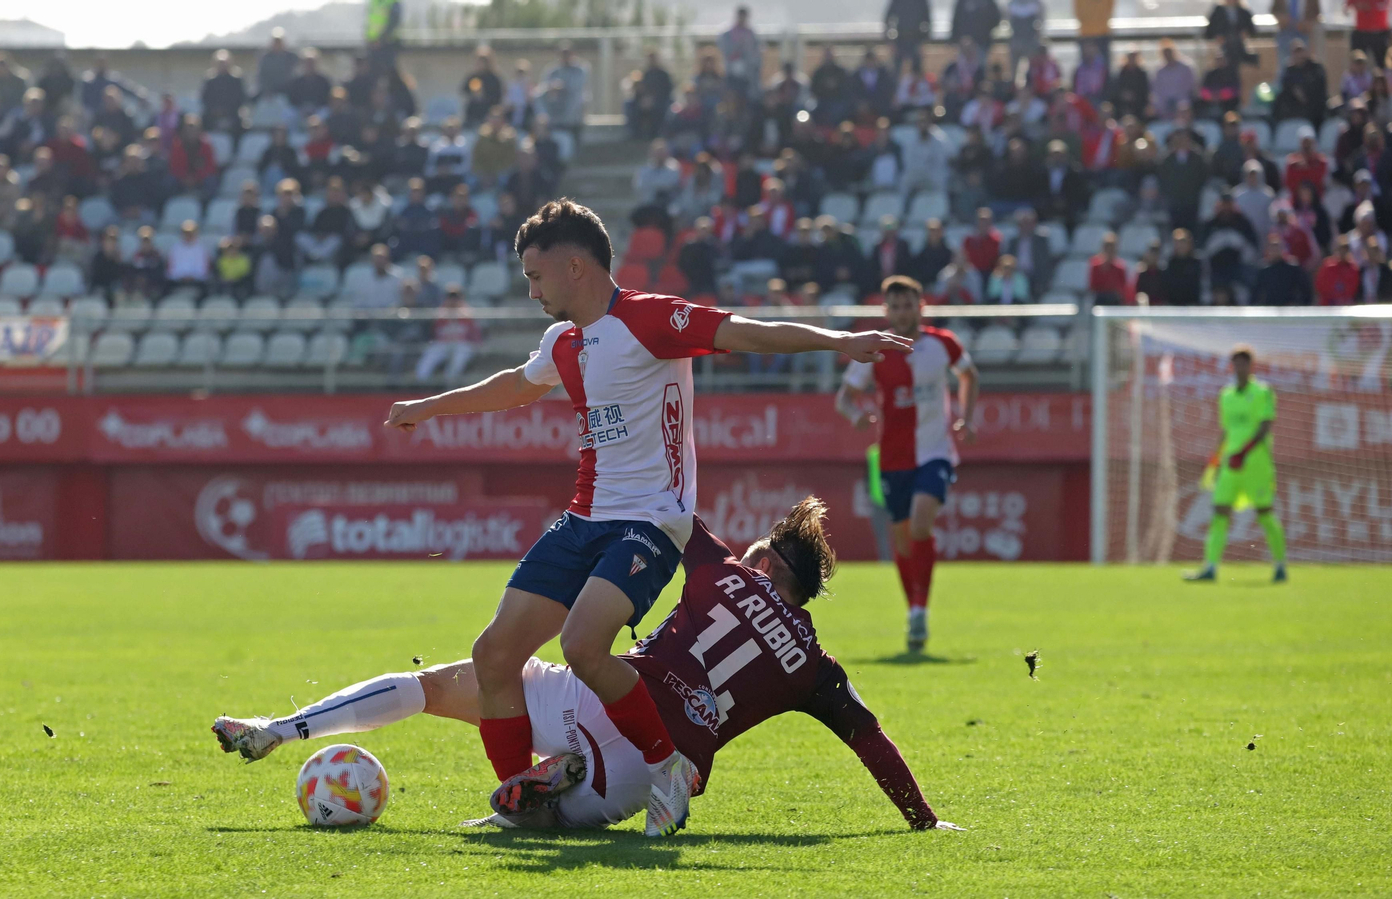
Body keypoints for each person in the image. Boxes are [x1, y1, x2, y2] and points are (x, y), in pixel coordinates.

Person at [381, 199, 913, 837]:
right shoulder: (565, 340)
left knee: (582, 646)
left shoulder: (651, 320)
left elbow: (746, 331)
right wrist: (428, 407)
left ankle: (669, 771)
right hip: (584, 518)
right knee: (494, 655)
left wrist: (842, 341)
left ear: (575, 266)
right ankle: (522, 805)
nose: (530, 290)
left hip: (650, 525)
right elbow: (515, 387)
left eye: (535, 275)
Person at [214, 500, 964, 834]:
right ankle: (543, 794)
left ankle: (279, 727)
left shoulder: (719, 568)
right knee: (545, 820)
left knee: (444, 683)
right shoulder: (815, 665)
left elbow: (667, 505)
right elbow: (873, 741)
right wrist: (924, 820)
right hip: (649, 769)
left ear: (764, 559)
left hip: (599, 688)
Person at [834, 277, 978, 653]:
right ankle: (912, 607)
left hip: (936, 451)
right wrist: (855, 416)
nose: (902, 312)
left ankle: (920, 610)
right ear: (886, 311)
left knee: (919, 524)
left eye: (908, 305)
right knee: (902, 537)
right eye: (895, 306)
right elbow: (844, 398)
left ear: (921, 306)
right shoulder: (875, 348)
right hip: (893, 457)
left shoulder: (942, 343)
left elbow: (969, 375)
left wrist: (967, 416)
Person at [1185, 347, 1287, 583]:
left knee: (1264, 514)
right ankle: (1210, 568)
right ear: (1231, 366)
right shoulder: (1226, 395)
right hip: (1231, 464)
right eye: (1235, 363)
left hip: (1256, 464)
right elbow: (1226, 431)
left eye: (1243, 363)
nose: (1239, 368)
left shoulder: (1263, 392)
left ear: (1251, 366)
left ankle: (1280, 566)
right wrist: (1215, 460)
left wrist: (1243, 453)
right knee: (1219, 512)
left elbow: (1264, 428)